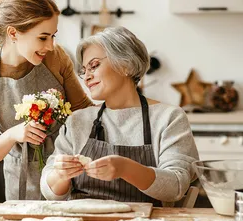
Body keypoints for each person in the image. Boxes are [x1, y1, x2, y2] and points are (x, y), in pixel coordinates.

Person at [40, 26, 199, 206]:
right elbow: (49, 191)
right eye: (84, 70)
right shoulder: (78, 120)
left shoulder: (169, 118)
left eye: (94, 65)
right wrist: (60, 175)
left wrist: (126, 168)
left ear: (126, 65)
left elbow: (176, 186)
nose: (86, 78)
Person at [0, 0, 93, 201]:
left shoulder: (56, 57)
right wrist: (12, 135)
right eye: (43, 37)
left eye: (53, 36)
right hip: (22, 181)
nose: (50, 46)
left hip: (67, 170)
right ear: (13, 33)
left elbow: (84, 111)